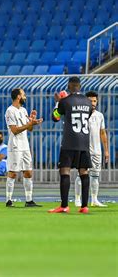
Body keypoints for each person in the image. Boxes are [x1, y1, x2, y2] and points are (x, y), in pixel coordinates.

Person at [49, 77, 93, 213]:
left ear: (69, 86)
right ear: (79, 86)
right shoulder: (88, 101)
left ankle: (64, 206)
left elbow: (55, 117)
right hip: (84, 143)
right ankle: (84, 206)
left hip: (69, 142)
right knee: (84, 172)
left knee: (65, 171)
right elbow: (89, 115)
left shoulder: (65, 101)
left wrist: (57, 103)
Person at [4, 88, 43, 208]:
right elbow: (14, 130)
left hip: (25, 145)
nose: (25, 97)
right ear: (18, 97)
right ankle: (8, 200)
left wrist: (31, 122)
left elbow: (29, 129)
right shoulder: (10, 111)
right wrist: (29, 124)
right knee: (13, 173)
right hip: (15, 146)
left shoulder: (24, 110)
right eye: (24, 95)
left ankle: (29, 200)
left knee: (28, 172)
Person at [74, 91, 109, 208]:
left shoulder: (100, 116)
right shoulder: (81, 115)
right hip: (83, 150)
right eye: (90, 101)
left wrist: (106, 151)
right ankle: (77, 199)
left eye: (94, 101)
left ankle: (94, 200)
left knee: (95, 176)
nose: (93, 103)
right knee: (81, 176)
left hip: (96, 151)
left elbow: (102, 133)